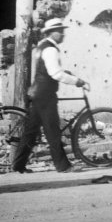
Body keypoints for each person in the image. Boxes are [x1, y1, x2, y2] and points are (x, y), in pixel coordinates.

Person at [12, 18, 90, 173]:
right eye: (59, 31)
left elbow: (46, 70)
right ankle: (63, 166)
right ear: (51, 33)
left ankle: (18, 165)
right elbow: (55, 73)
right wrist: (77, 81)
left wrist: (64, 73)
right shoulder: (50, 49)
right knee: (53, 132)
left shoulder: (42, 47)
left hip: (37, 93)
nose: (63, 34)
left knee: (30, 132)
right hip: (45, 96)